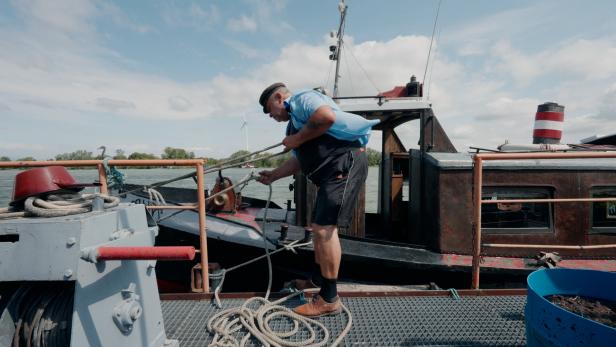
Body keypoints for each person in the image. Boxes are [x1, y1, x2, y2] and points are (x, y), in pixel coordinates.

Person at [257, 82, 379, 317]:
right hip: (331, 174)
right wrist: (273, 175)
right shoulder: (294, 125)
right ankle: (316, 280)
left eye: (269, 109)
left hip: (344, 165)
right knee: (318, 228)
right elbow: (298, 162)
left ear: (280, 98)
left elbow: (326, 117)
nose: (271, 116)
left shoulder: (303, 100)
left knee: (324, 231)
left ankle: (329, 299)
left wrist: (298, 139)